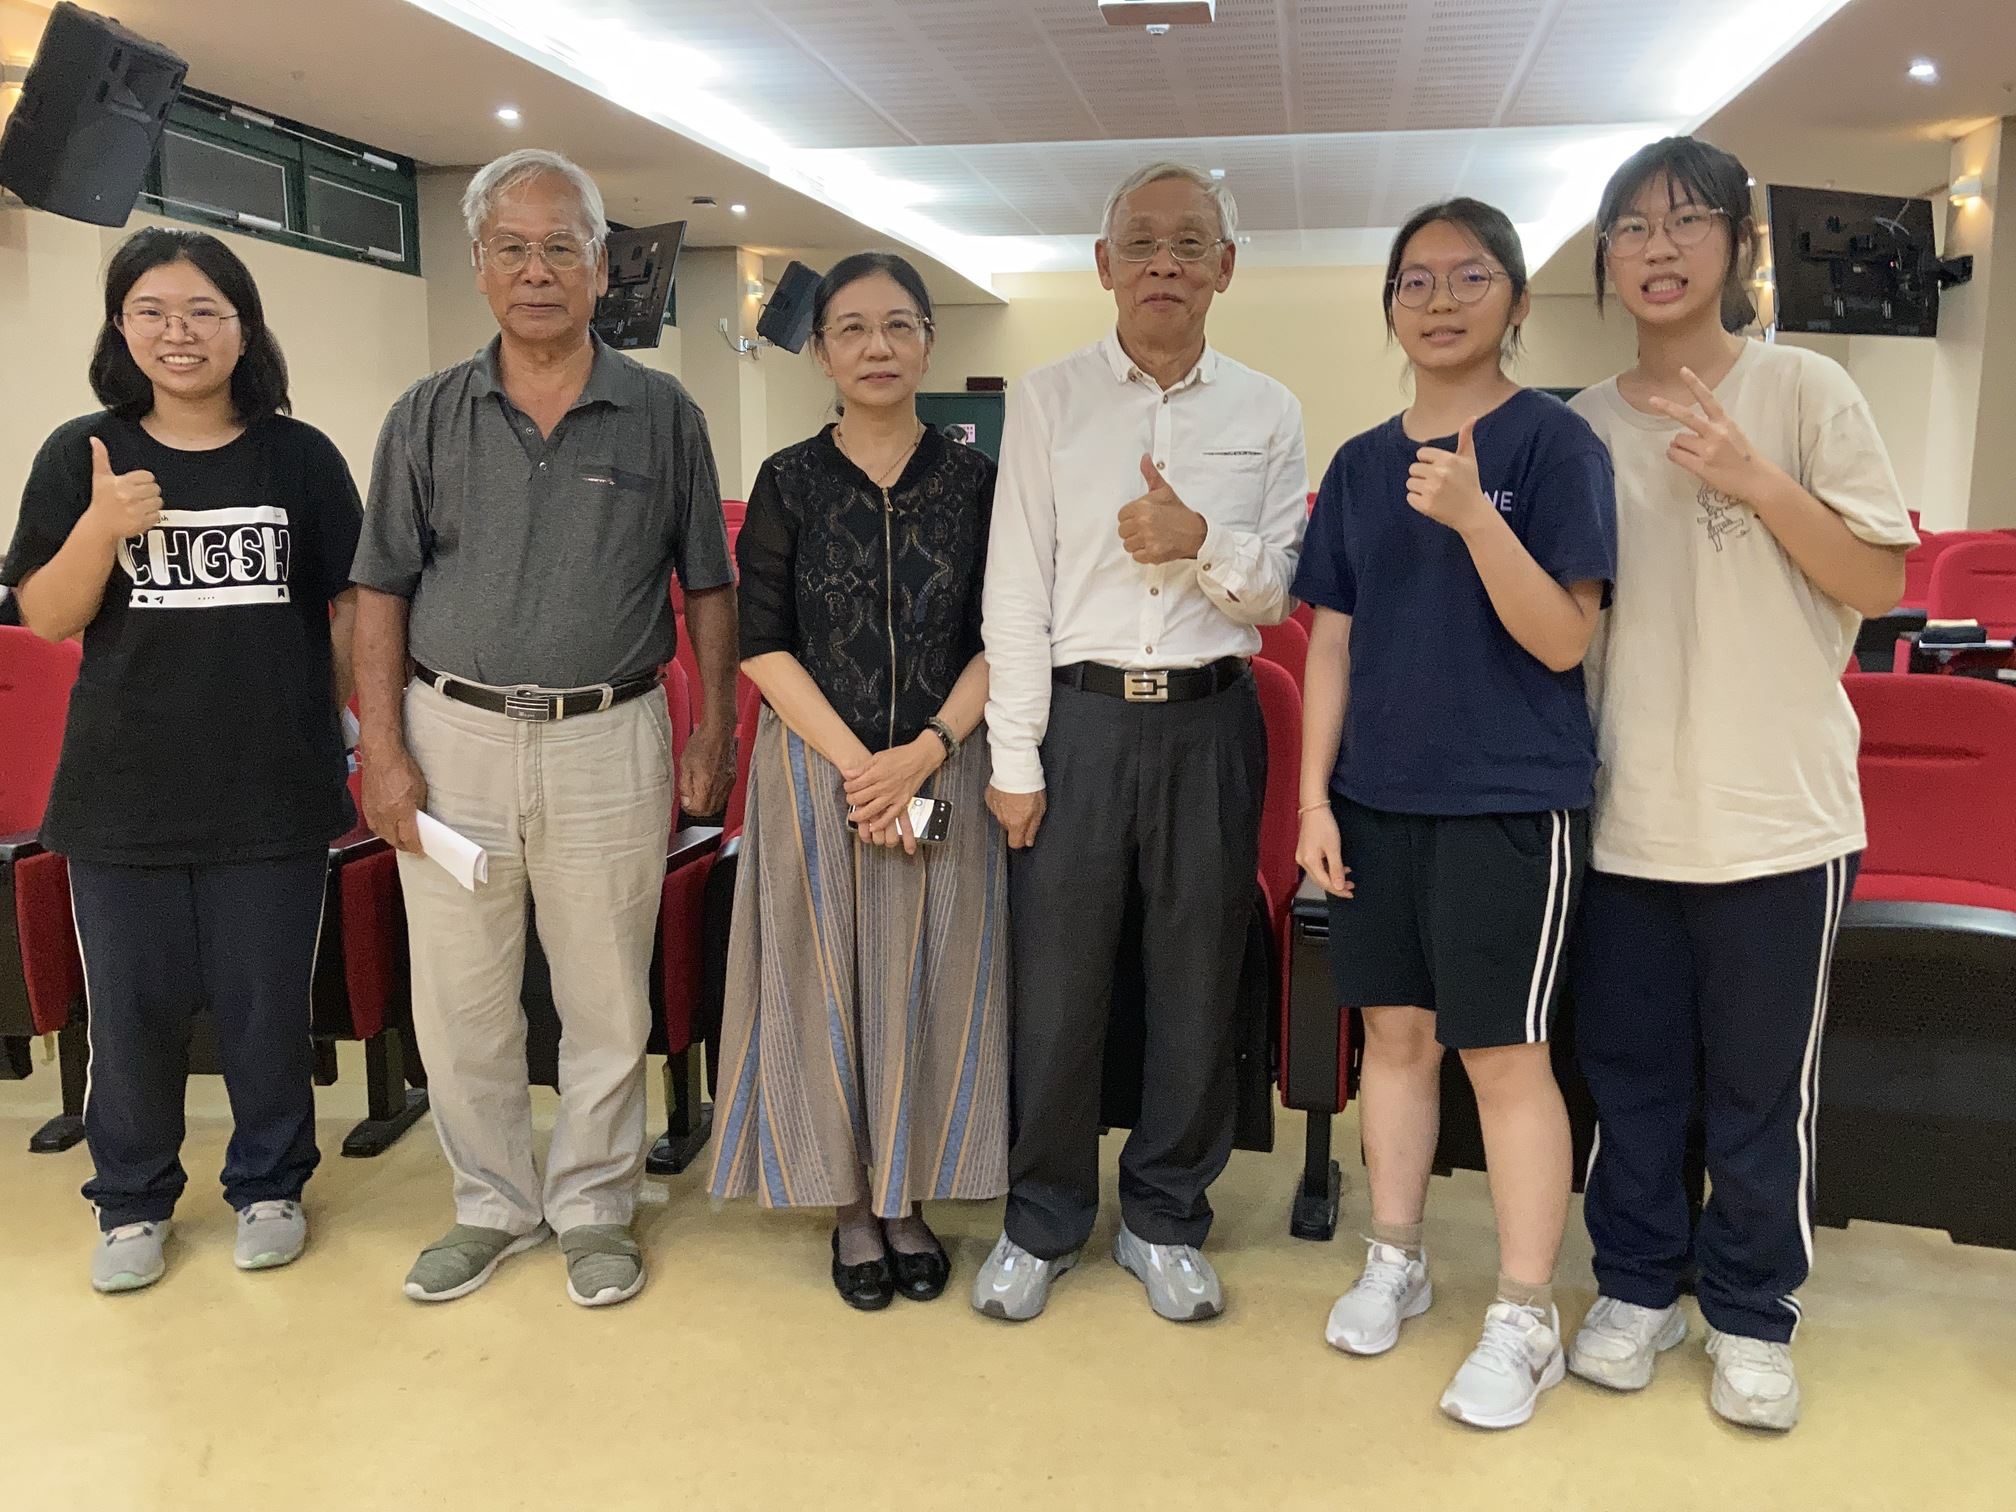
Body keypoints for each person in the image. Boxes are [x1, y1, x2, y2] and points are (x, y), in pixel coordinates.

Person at [1564, 137, 1915, 1430]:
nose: (1658, 249)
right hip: (1625, 812)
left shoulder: (1806, 388)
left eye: (1687, 222)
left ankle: (1755, 1311)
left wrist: (1755, 479)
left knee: (1763, 1088)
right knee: (1631, 1076)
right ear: (1606, 256)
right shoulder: (1578, 426)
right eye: (1632, 227)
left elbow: (1877, 580)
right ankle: (1636, 1286)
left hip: (1781, 813)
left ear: (1739, 244)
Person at [350, 148, 739, 1308]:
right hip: (450, 736)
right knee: (461, 997)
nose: (536, 271)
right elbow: (381, 590)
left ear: (601, 266)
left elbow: (708, 585)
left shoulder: (662, 412)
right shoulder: (425, 415)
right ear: (478, 265)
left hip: (610, 737)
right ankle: (489, 1203)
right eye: (512, 249)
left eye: (560, 248)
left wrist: (714, 731)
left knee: (606, 993)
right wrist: (383, 748)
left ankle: (595, 1204)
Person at [1292, 200, 1616, 1427]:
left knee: (1505, 1055)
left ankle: (1527, 1315)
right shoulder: (1360, 464)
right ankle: (1397, 1256)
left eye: (1469, 277)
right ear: (1389, 306)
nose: (1438, 300)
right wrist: (1314, 798)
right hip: (1375, 799)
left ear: (1517, 300)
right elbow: (1332, 642)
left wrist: (1478, 515)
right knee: (1395, 1039)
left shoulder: (1555, 445)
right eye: (1415, 280)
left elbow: (1564, 636)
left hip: (1507, 801)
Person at [975, 162, 1307, 1324]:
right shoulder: (1049, 399)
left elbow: (1276, 592)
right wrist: (1014, 760)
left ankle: (1165, 1216)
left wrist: (1198, 535)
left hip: (1212, 722)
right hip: (1079, 723)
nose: (1165, 262)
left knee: (1196, 981)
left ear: (1227, 266)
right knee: (1056, 988)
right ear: (1103, 264)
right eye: (1142, 242)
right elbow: (1015, 590)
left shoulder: (1268, 410)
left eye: (1190, 243)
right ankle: (1043, 1216)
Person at [1, 228, 361, 1292]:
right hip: (124, 793)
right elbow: (48, 616)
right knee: (133, 1014)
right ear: (121, 329)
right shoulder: (84, 453)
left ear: (244, 328)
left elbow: (349, 606)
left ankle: (269, 1186)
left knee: (266, 1009)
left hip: (273, 788)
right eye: (152, 311)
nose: (179, 332)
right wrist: (102, 526)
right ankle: (132, 1203)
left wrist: (331, 718)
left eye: (205, 310)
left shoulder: (299, 457)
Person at [708, 252, 1007, 1311]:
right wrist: (858, 768)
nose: (877, 347)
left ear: (929, 340)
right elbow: (761, 641)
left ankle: (909, 1194)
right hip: (814, 770)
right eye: (851, 329)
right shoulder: (789, 479)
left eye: (898, 325)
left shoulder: (976, 482)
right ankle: (845, 1201)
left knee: (934, 979)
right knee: (819, 978)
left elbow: (1005, 634)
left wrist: (923, 751)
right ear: (822, 352)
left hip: (946, 760)